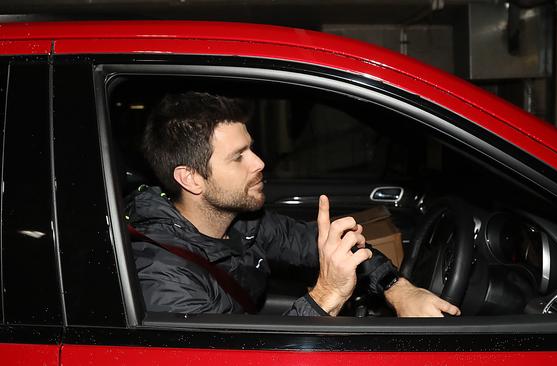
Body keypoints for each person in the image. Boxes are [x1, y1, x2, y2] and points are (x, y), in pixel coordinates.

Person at [126, 91, 461, 317]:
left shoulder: (244, 223)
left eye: (251, 148)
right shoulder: (163, 279)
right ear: (191, 179)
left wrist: (397, 288)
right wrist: (327, 293)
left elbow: (322, 245)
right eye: (239, 157)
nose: (258, 163)